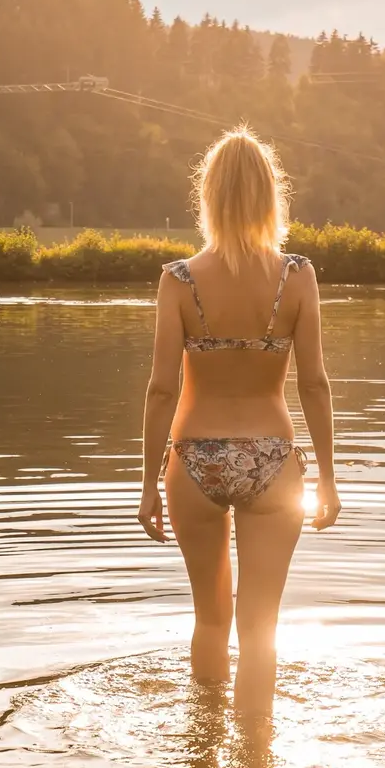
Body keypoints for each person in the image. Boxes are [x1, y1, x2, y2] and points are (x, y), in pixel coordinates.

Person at [138, 127, 339, 718]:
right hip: (273, 462)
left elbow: (160, 388)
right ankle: (257, 758)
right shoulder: (296, 277)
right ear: (270, 197)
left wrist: (148, 481)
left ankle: (200, 759)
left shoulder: (178, 280)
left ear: (210, 197)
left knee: (209, 619)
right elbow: (316, 384)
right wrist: (328, 478)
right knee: (260, 629)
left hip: (193, 459)